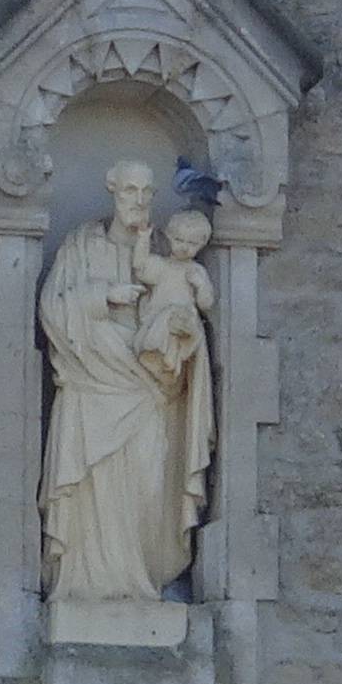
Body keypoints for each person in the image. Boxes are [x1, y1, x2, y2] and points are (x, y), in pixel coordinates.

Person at [37, 162, 212, 604]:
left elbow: (192, 318)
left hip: (149, 390)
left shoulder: (166, 252)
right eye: (130, 190)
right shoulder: (81, 244)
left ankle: (141, 581)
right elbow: (53, 309)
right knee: (90, 492)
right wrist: (104, 297)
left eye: (147, 192)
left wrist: (181, 335)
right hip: (91, 388)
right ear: (112, 190)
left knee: (147, 487)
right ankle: (83, 587)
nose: (139, 200)